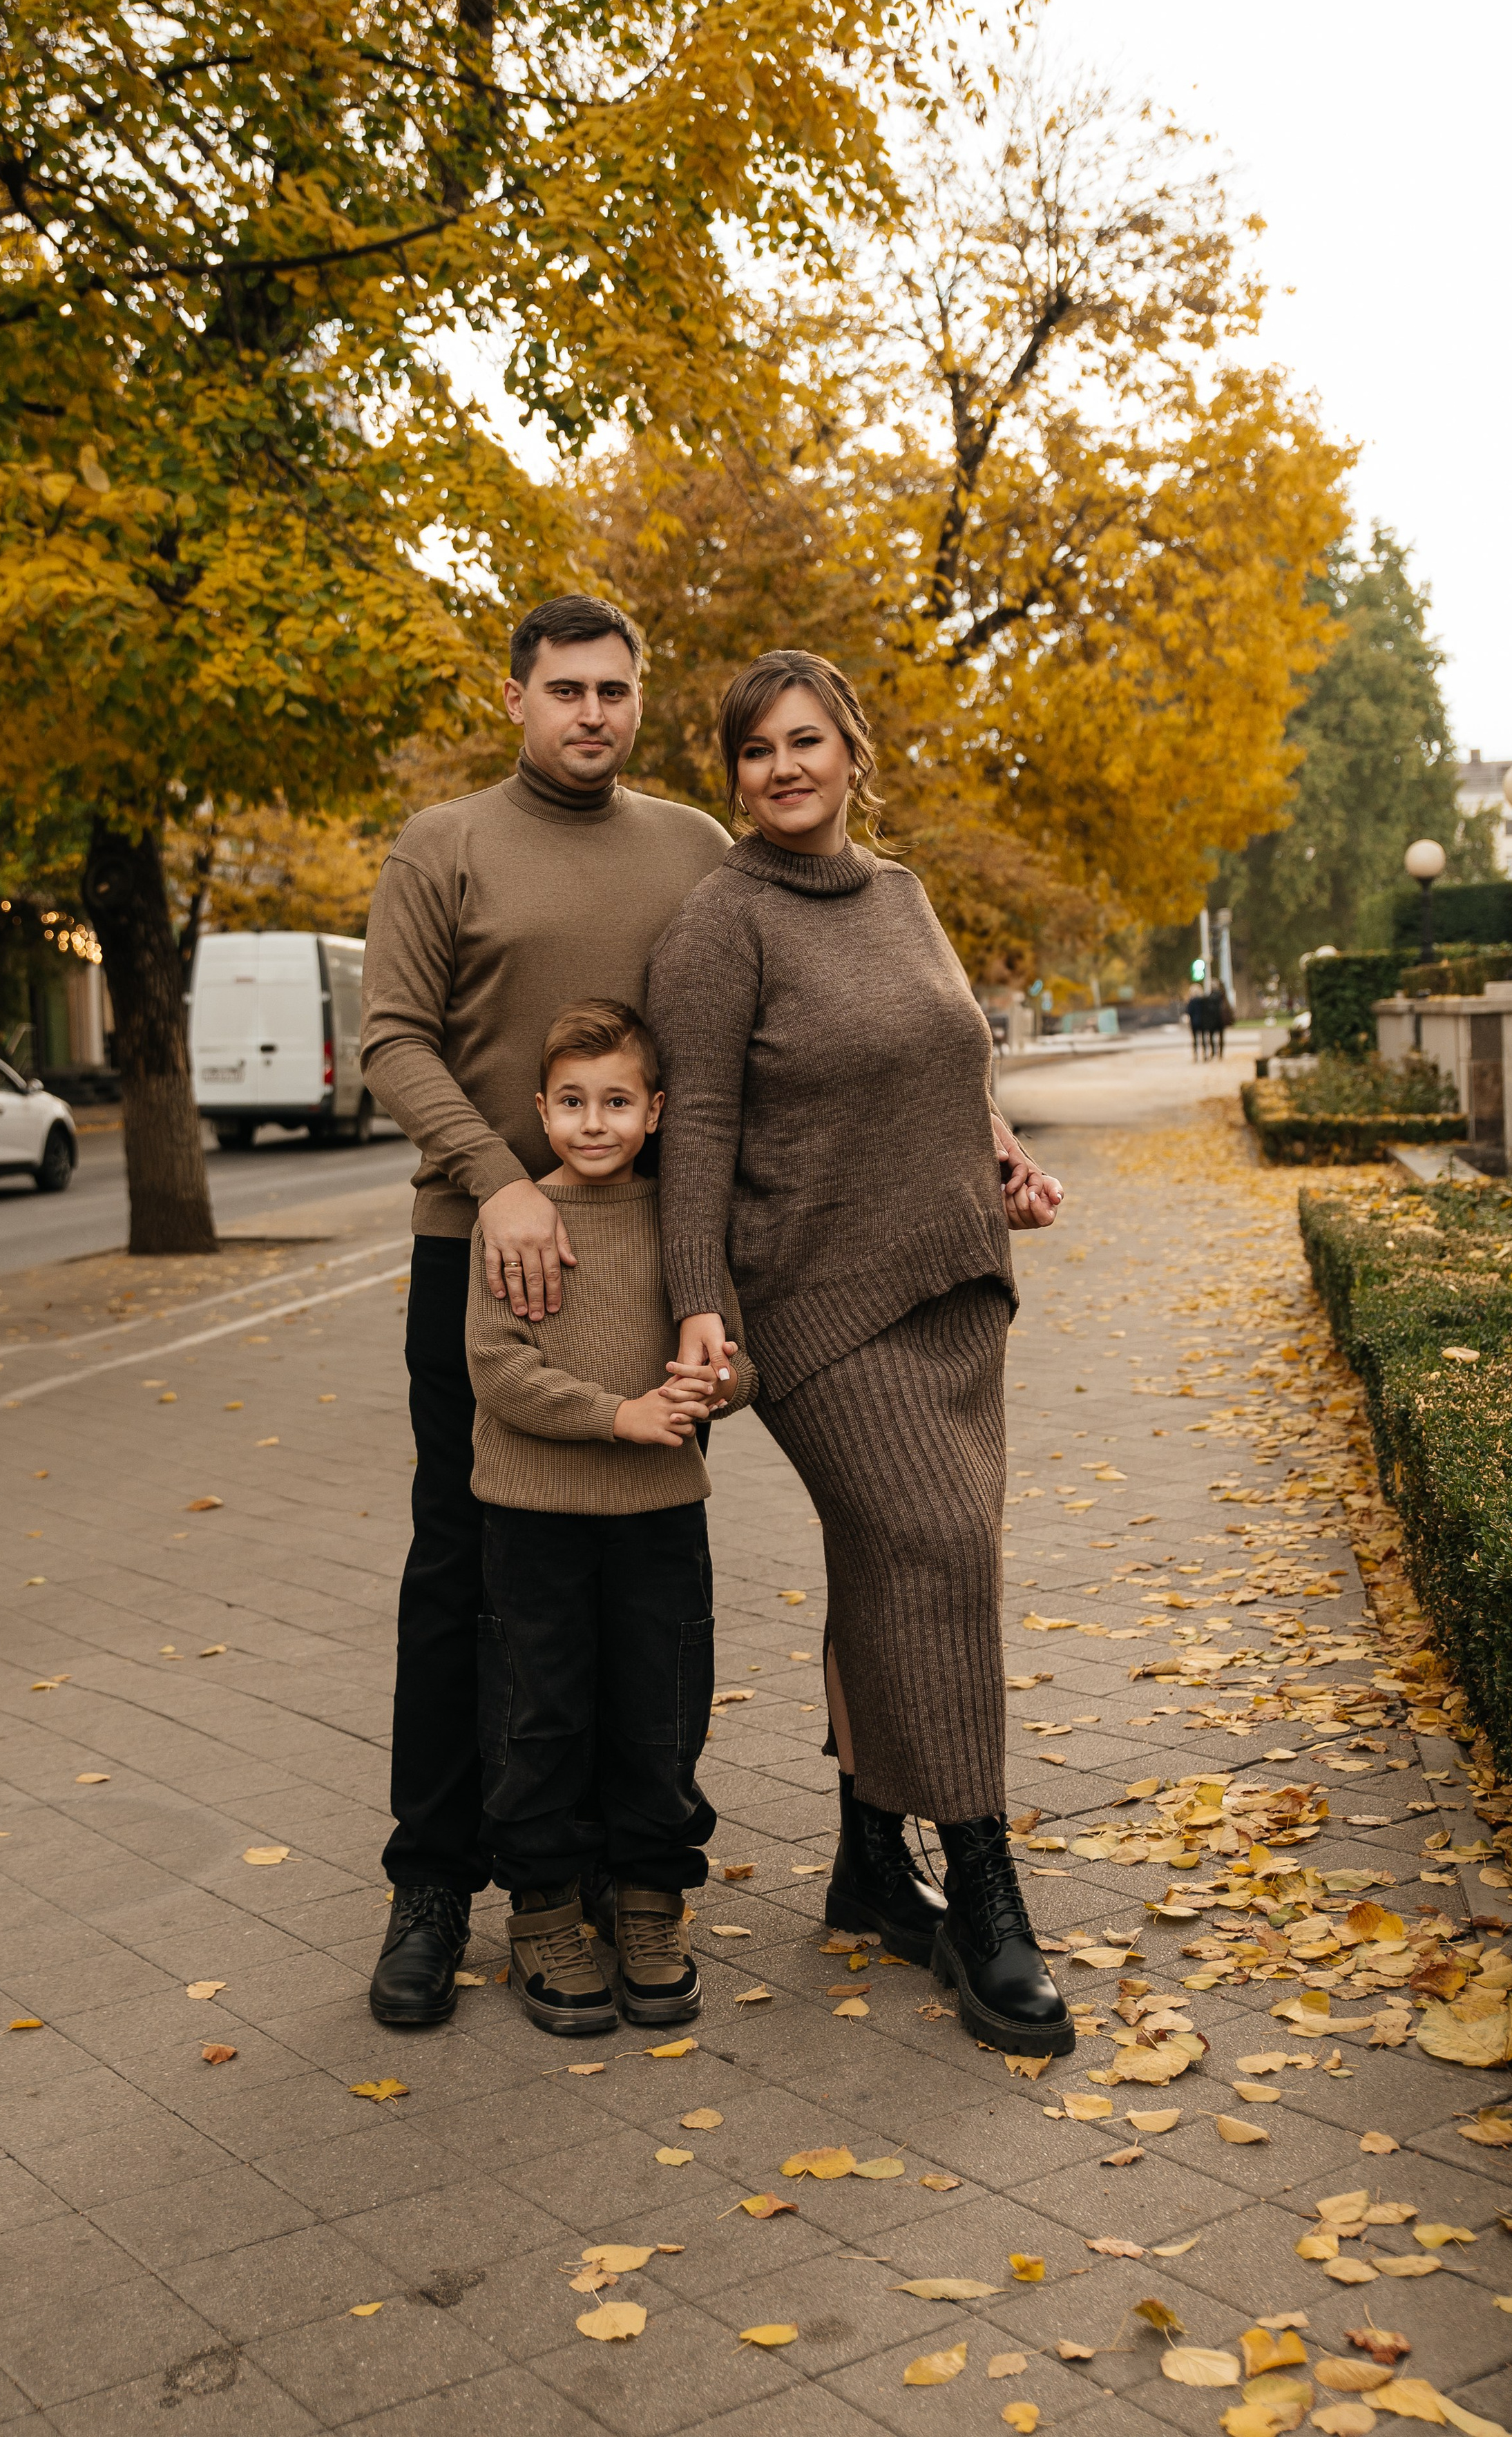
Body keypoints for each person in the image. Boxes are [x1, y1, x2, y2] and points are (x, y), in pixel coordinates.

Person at [647, 649, 1073, 2058]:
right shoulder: (722, 922)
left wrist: (996, 1149)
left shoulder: (899, 893)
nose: (782, 766)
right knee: (939, 1542)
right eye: (755, 748)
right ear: (733, 775)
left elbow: (949, 1055)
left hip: (952, 1278)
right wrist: (699, 1300)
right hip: (814, 1304)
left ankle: (864, 1863)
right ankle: (982, 1887)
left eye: (805, 740)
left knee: (895, 1560)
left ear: (850, 752)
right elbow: (697, 1126)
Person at [360, 595, 731, 2028]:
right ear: (513, 696)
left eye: (615, 691)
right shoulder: (443, 844)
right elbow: (392, 1035)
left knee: (628, 1592)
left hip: (639, 1260)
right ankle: (434, 1878)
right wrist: (492, 1179)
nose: (592, 712)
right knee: (464, 1572)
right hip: (480, 1249)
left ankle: (600, 1877)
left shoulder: (694, 849)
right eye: (565, 689)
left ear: (640, 699)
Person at [466, 998, 754, 2036]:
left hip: (659, 1516)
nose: (596, 1123)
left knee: (661, 1710)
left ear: (657, 1110)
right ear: (542, 1111)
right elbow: (497, 1369)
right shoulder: (517, 1221)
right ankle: (543, 1910)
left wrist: (715, 1384)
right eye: (575, 1103)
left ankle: (648, 1902)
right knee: (542, 1715)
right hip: (535, 1519)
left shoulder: (682, 1224)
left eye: (618, 1102)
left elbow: (735, 1349)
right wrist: (617, 1415)